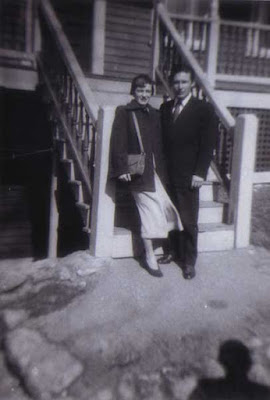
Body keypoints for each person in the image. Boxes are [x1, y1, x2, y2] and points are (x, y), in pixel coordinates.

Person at [109, 74, 182, 278]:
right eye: (140, 90)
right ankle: (150, 256)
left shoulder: (155, 114)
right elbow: (118, 142)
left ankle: (166, 247)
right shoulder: (124, 112)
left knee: (166, 209)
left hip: (157, 171)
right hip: (137, 170)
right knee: (149, 212)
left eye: (148, 91)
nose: (144, 94)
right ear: (133, 91)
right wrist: (122, 168)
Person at [160, 66, 218, 279]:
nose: (180, 86)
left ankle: (189, 262)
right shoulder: (165, 109)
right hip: (167, 174)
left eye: (184, 82)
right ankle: (173, 251)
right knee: (170, 217)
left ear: (192, 83)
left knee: (188, 220)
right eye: (176, 82)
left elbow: (208, 144)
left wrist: (199, 173)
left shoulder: (203, 109)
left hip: (189, 175)